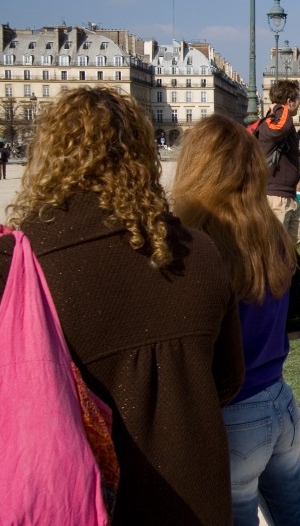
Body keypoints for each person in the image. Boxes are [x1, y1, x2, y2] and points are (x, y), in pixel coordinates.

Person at [2, 87, 245, 524]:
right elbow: (228, 379)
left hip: (85, 501)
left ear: (50, 156)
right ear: (140, 155)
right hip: (198, 495)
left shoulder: (21, 264)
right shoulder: (200, 252)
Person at [173, 116, 300, 526]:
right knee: (296, 517)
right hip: (279, 400)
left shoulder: (197, 242)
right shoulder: (270, 232)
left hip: (235, 412)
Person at [256, 79, 300, 247]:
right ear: (290, 102)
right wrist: (280, 107)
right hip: (275, 196)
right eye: (298, 99)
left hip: (289, 194)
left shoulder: (282, 122)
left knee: (295, 239)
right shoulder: (273, 124)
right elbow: (279, 129)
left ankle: (287, 272)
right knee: (275, 246)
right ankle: (272, 273)